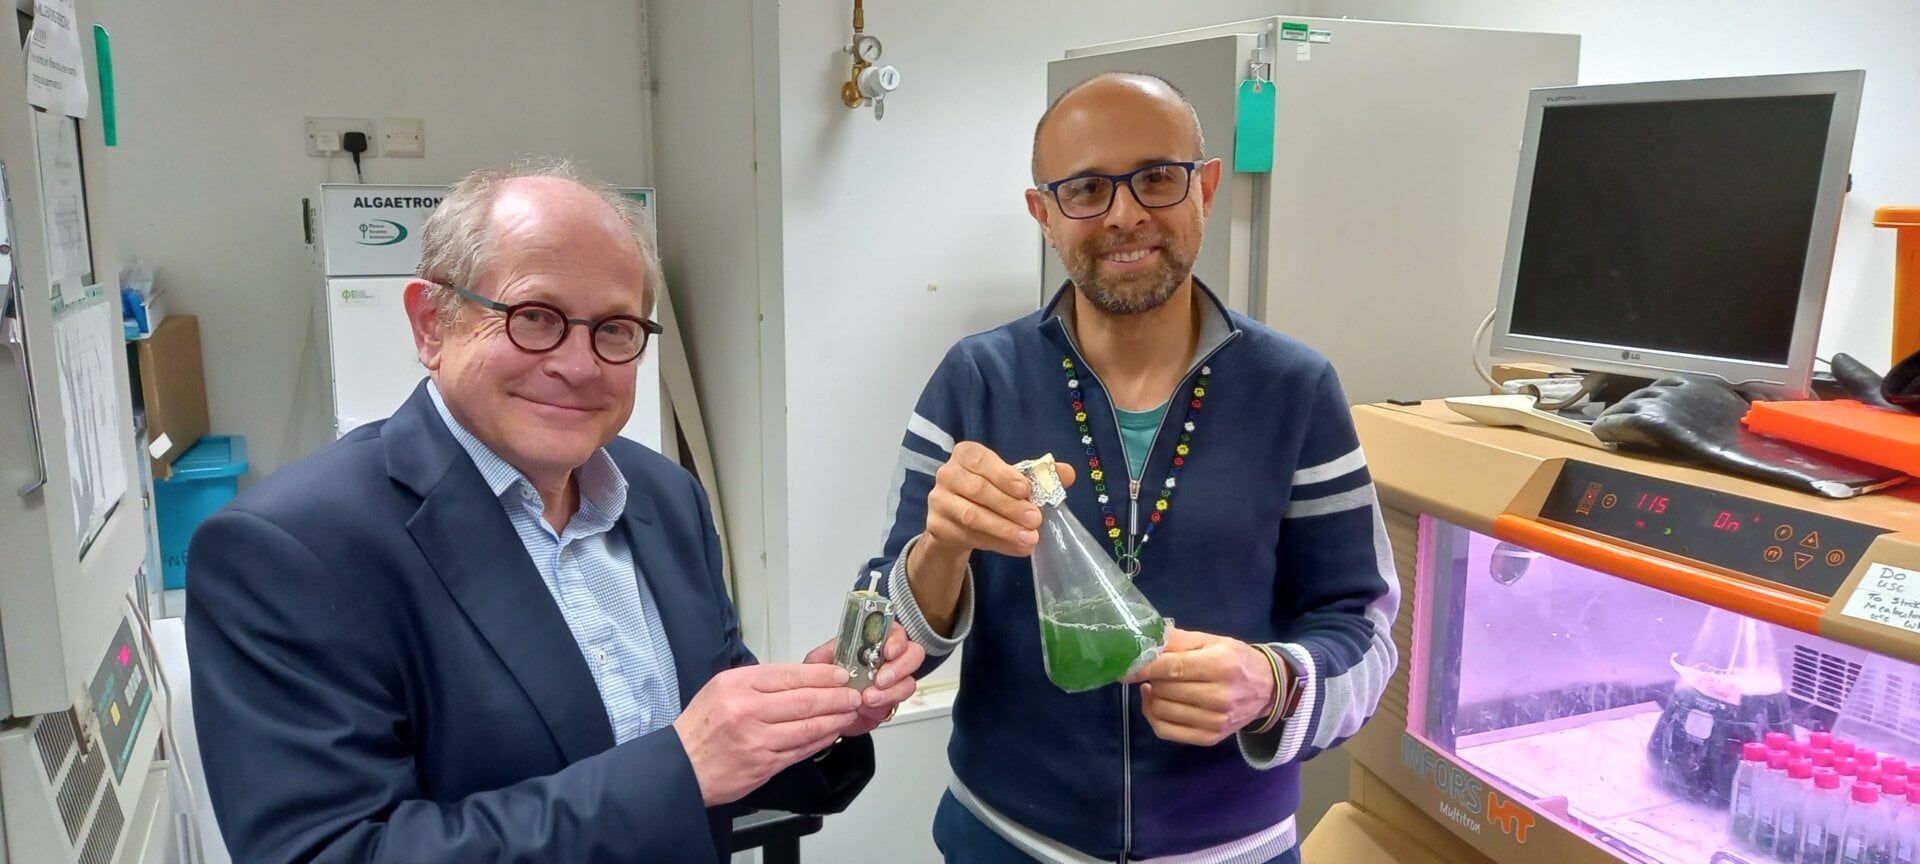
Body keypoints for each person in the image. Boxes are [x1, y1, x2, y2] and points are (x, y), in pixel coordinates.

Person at [187, 160, 924, 863]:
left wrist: (817, 720)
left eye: (615, 329)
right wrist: (680, 767)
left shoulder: (664, 498)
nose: (578, 365)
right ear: (431, 325)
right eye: (533, 316)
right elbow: (336, 852)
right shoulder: (289, 551)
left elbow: (717, 738)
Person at [861, 73, 1400, 863]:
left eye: (1156, 177)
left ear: (1206, 189)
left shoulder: (1295, 390)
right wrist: (938, 552)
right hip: (1005, 841)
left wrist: (1272, 682)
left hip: (1232, 849)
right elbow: (875, 646)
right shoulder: (976, 383)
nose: (1124, 214)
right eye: (1084, 188)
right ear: (1043, 215)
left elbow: (1362, 627)